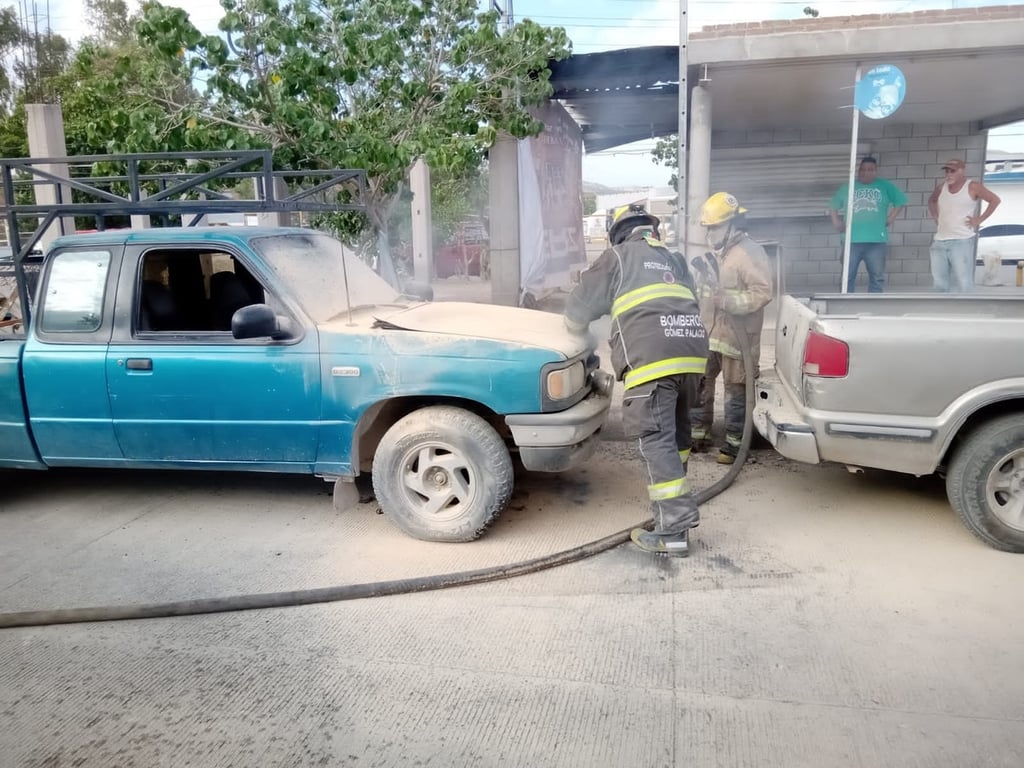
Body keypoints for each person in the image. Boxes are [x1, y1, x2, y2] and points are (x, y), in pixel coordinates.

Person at [564, 204, 708, 557]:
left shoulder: (617, 257)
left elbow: (580, 308)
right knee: (676, 433)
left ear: (618, 233)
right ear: (652, 230)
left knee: (654, 439)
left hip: (652, 359)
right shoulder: (674, 260)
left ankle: (673, 528)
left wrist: (574, 329)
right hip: (692, 356)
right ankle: (670, 507)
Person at [690, 192, 773, 465]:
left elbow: (763, 292)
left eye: (714, 227)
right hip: (710, 334)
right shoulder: (717, 253)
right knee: (701, 384)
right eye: (708, 228)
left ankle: (735, 444)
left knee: (736, 391)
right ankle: (698, 435)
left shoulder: (749, 252)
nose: (710, 233)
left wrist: (728, 300)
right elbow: (706, 293)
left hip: (739, 339)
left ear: (732, 225)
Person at [828, 156, 907, 293]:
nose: (866, 173)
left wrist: (890, 218)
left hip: (876, 241)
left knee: (877, 278)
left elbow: (901, 201)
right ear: (858, 171)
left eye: (870, 170)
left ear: (876, 171)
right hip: (851, 241)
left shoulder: (884, 186)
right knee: (847, 277)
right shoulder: (848, 187)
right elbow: (833, 204)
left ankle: (874, 307)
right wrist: (836, 221)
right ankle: (846, 305)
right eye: (863, 170)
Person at [928, 158, 1001, 293]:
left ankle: (969, 311)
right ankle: (940, 311)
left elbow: (995, 200)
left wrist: (979, 219)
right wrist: (935, 216)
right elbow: (932, 201)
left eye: (953, 171)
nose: (949, 174)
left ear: (962, 171)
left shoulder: (972, 186)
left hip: (961, 241)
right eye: (947, 171)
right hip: (940, 241)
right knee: (939, 283)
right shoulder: (941, 188)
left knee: (964, 281)